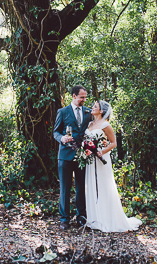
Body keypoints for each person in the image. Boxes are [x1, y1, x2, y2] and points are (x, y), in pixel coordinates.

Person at [84, 100, 141, 232]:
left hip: (101, 158)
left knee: (104, 187)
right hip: (90, 160)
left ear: (101, 111)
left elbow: (113, 143)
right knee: (92, 186)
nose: (92, 108)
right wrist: (85, 149)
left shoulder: (105, 124)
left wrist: (101, 151)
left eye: (95, 106)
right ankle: (94, 218)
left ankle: (107, 219)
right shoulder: (90, 123)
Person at [53, 85, 91, 231]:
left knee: (81, 187)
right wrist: (61, 138)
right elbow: (55, 132)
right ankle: (64, 220)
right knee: (65, 188)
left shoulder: (88, 112)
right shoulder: (62, 112)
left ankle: (81, 218)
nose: (84, 100)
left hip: (82, 155)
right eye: (82, 97)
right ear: (74, 96)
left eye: (85, 97)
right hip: (65, 156)